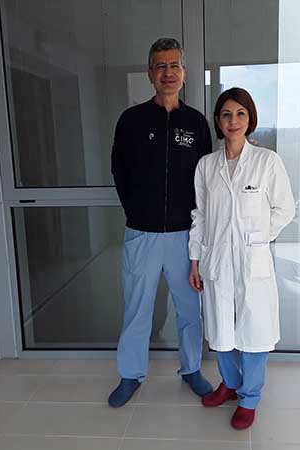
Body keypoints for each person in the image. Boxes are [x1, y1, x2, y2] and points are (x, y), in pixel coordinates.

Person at [109, 38, 213, 407]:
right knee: (137, 308)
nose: (168, 73)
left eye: (174, 65)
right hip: (143, 233)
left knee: (189, 309)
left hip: (185, 236)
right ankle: (130, 374)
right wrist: (137, 212)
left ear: (184, 73)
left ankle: (191, 369)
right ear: (150, 74)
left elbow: (205, 178)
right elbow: (119, 171)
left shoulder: (196, 123)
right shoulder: (131, 120)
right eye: (160, 66)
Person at [188, 87, 295, 429]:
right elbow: (200, 215)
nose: (233, 121)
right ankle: (230, 384)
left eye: (240, 114)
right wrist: (195, 259)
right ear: (218, 121)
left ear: (250, 119)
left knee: (254, 330)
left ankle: (249, 398)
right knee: (221, 328)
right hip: (217, 259)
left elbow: (285, 209)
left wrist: (258, 238)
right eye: (226, 114)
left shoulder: (267, 162)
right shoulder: (206, 166)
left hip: (252, 260)